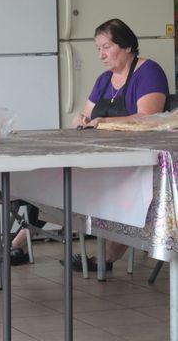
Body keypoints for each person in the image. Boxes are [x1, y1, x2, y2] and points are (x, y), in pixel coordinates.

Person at [70, 18, 169, 271]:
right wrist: (81, 119)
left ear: (126, 46)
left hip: (140, 160)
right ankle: (20, 243)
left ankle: (107, 257)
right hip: (103, 156)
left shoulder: (149, 72)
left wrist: (103, 121)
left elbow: (148, 118)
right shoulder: (104, 79)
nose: (101, 55)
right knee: (62, 177)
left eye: (106, 47)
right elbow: (86, 115)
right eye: (98, 49)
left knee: (120, 190)